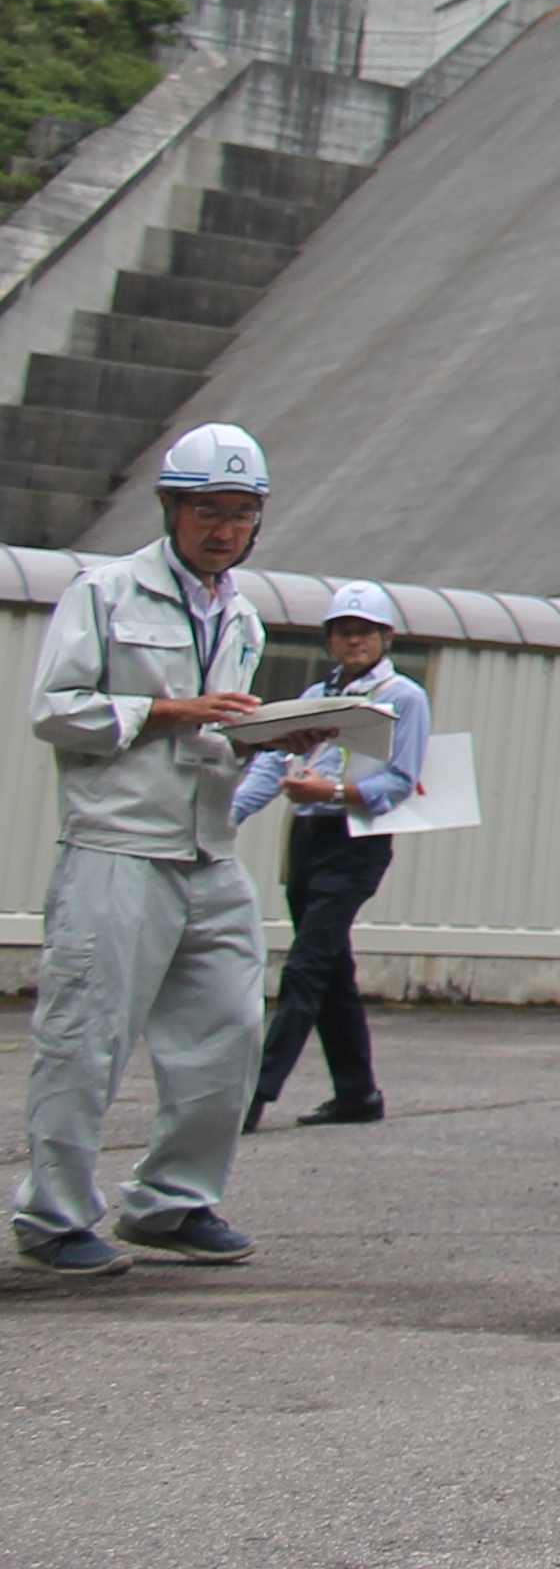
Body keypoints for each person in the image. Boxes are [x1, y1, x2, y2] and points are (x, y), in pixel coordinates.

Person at [15, 422, 277, 1276]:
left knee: (230, 1029)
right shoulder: (106, 593)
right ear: (170, 506)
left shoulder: (240, 612)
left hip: (208, 846)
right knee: (87, 1032)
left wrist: (269, 737)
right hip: (119, 848)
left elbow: (216, 733)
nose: (224, 528)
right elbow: (55, 708)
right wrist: (164, 712)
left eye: (241, 513)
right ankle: (54, 1217)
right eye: (208, 509)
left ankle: (172, 1202)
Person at [233, 579, 431, 1133]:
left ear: (386, 637)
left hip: (356, 842)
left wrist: (336, 794)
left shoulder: (403, 698)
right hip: (308, 839)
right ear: (329, 641)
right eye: (344, 632)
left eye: (364, 632)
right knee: (330, 971)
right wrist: (227, 817)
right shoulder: (313, 698)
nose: (354, 642)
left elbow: (401, 781)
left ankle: (252, 1095)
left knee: (306, 966)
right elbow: (271, 766)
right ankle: (358, 1093)